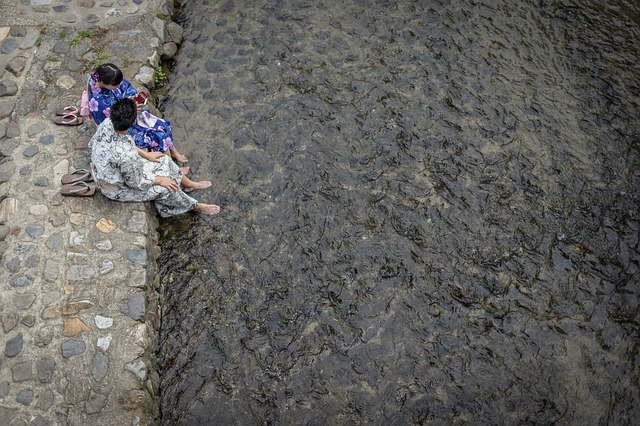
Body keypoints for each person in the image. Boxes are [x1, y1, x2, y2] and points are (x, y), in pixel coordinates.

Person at [89, 98, 220, 217]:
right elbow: (136, 182)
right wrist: (160, 180)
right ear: (134, 121)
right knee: (168, 187)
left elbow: (118, 143)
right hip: (116, 189)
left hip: (109, 169)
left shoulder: (106, 124)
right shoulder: (127, 156)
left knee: (164, 159)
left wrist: (146, 155)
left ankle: (189, 185)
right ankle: (193, 206)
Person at [87, 63, 189, 163]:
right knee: (159, 137)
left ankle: (173, 152)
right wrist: (132, 110)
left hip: (130, 112)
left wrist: (132, 99)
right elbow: (115, 123)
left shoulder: (102, 77)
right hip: (123, 127)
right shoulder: (99, 104)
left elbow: (127, 88)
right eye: (116, 85)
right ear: (106, 84)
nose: (120, 85)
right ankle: (172, 168)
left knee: (163, 124)